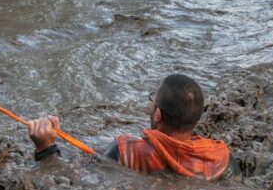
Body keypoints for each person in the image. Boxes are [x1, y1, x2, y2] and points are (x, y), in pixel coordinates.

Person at [27, 74, 235, 181]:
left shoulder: (125, 150)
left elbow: (74, 181)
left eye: (152, 100)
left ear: (157, 114)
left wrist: (46, 149)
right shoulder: (222, 157)